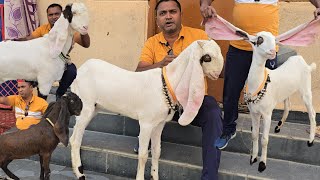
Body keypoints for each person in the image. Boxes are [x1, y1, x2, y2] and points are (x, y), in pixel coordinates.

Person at [200, 0, 320, 150]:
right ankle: (229, 129)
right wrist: (204, 5)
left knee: (265, 93)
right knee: (231, 91)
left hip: (267, 51)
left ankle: (258, 129)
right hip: (239, 47)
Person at [135, 0, 223, 179]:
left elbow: (219, 68)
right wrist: (160, 65)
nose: (168, 16)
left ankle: (210, 176)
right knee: (141, 101)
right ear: (157, 19)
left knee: (213, 110)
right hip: (163, 103)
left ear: (180, 14)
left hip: (192, 101)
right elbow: (138, 72)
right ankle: (144, 142)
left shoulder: (199, 37)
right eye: (163, 13)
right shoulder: (152, 43)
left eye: (172, 12)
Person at [16, 3, 90, 100]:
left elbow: (86, 44)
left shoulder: (70, 30)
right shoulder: (43, 29)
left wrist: (84, 31)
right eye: (50, 15)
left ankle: (60, 94)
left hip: (62, 64)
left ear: (63, 15)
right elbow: (29, 39)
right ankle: (38, 102)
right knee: (29, 73)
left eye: (57, 14)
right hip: (44, 65)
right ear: (47, 16)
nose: (54, 17)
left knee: (72, 70)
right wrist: (11, 41)